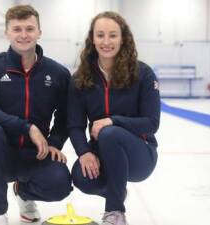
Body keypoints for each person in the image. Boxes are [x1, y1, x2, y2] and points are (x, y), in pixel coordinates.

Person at [0, 5, 72, 225]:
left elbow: (67, 116)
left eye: (29, 28)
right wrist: (27, 128)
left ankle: (24, 193)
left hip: (37, 154)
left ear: (39, 32)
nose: (24, 35)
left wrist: (54, 142)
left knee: (60, 184)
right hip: (1, 155)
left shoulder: (57, 73)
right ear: (7, 32)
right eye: (17, 29)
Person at [68, 11, 160, 225]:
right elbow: (74, 125)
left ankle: (115, 212)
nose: (106, 42)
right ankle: (116, 192)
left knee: (110, 132)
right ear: (92, 39)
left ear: (123, 38)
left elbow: (151, 123)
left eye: (113, 35)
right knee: (82, 178)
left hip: (141, 154)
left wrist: (114, 121)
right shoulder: (81, 78)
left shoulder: (143, 74)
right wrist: (84, 152)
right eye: (100, 35)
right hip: (102, 150)